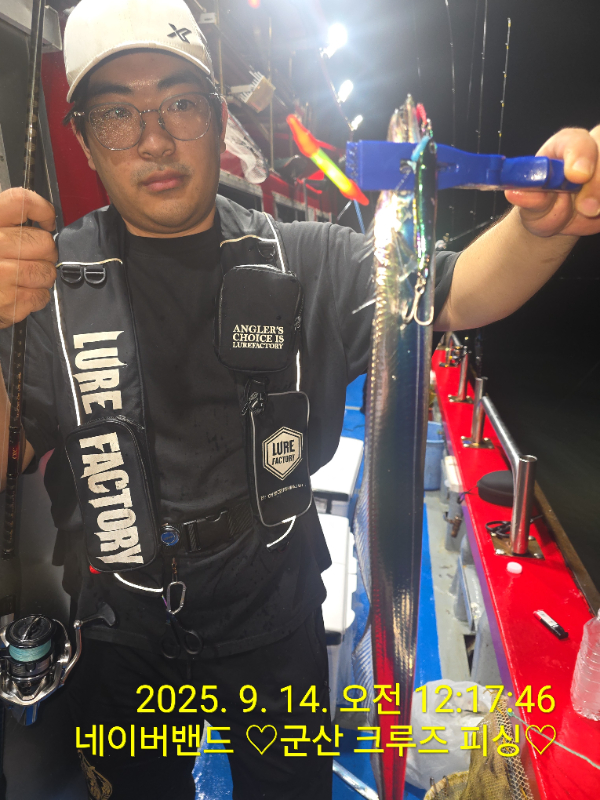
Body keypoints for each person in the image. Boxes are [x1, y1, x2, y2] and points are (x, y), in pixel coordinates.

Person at [0, 0, 599, 798]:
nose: (154, 140)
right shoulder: (42, 287)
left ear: (218, 119)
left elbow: (457, 293)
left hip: (272, 608)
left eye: (180, 104)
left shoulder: (313, 258)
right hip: (122, 624)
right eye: (117, 114)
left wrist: (546, 226)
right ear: (82, 138)